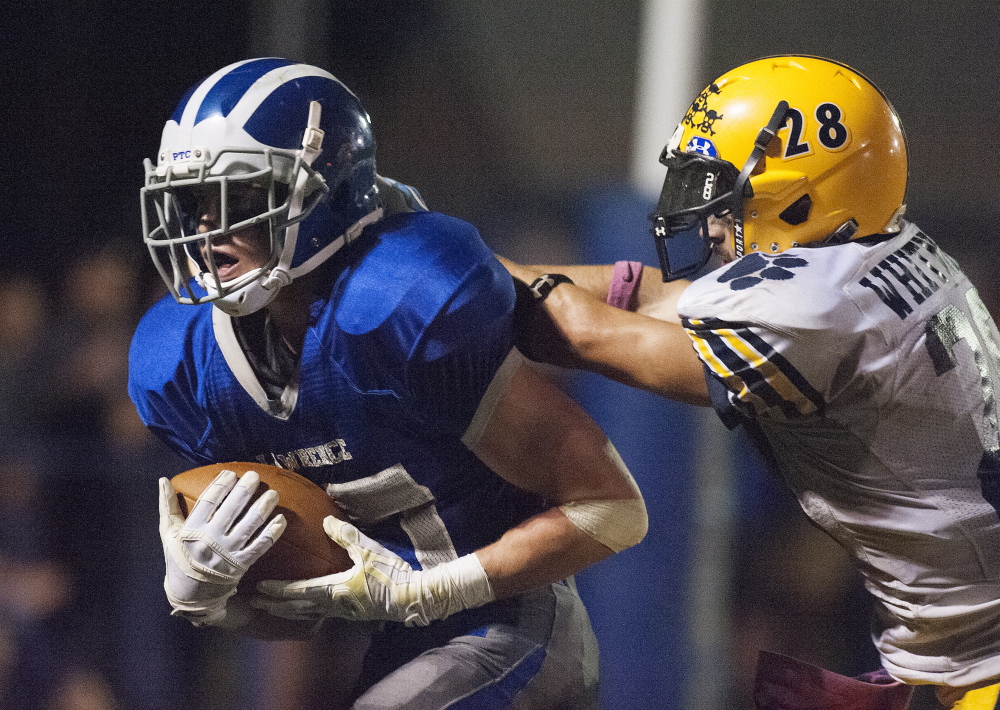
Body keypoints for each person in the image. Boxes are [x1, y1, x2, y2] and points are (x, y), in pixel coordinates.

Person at [127, 57, 648, 709]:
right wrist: (212, 594)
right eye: (196, 199)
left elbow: (612, 507)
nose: (207, 228)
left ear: (323, 191)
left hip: (513, 629)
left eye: (238, 194)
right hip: (402, 647)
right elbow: (302, 606)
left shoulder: (401, 306)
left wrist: (435, 589)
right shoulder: (188, 367)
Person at [501, 55, 1000, 710]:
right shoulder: (884, 252)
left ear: (801, 192)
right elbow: (645, 293)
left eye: (725, 193)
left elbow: (587, 334)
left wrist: (436, 266)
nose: (709, 222)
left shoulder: (815, 306)